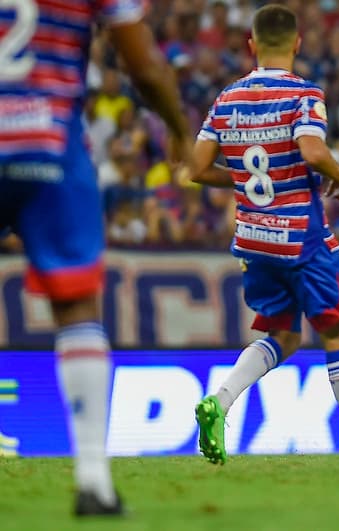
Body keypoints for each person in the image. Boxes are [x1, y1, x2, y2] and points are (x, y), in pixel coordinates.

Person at [186, 4, 339, 467]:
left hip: (252, 238)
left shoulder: (226, 99)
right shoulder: (304, 94)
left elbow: (198, 169)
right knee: (336, 330)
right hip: (301, 238)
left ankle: (219, 402)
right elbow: (311, 148)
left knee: (282, 334)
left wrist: (247, 178)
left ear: (251, 45)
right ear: (297, 44)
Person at [0, 0, 193, 516]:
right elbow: (143, 64)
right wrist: (177, 126)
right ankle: (93, 483)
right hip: (48, 144)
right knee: (77, 309)